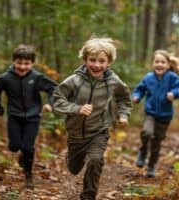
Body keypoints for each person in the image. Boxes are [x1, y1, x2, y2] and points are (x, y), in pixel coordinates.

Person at [53, 37, 131, 200]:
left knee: (96, 160)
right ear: (85, 59)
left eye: (102, 61)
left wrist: (123, 115)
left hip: (99, 131)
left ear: (109, 62)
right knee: (74, 168)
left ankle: (88, 196)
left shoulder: (113, 81)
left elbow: (123, 98)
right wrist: (76, 108)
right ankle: (71, 157)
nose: (97, 65)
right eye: (92, 60)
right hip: (76, 132)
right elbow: (57, 99)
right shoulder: (75, 80)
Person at [0, 44, 57, 189]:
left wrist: (50, 104)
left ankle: (28, 176)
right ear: (13, 61)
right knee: (14, 147)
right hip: (14, 115)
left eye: (27, 63)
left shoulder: (37, 77)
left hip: (33, 116)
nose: (22, 66)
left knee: (28, 147)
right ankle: (21, 154)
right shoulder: (5, 78)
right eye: (19, 63)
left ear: (32, 63)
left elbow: (53, 89)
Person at [132, 49, 179, 178]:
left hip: (165, 116)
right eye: (157, 61)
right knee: (147, 132)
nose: (159, 64)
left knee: (157, 142)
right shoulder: (148, 78)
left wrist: (174, 93)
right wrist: (136, 97)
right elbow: (140, 89)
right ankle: (143, 151)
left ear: (168, 65)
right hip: (150, 112)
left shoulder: (172, 77)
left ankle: (151, 166)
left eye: (163, 62)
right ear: (152, 63)